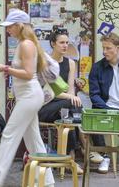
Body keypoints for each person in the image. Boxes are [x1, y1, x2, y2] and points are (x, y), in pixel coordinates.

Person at [0, 9, 56, 187]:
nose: (8, 30)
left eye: (10, 26)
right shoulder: (24, 43)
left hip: (29, 95)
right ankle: (47, 181)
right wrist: (8, 70)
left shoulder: (26, 44)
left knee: (9, 134)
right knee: (34, 140)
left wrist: (5, 68)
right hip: (28, 96)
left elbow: (28, 73)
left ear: (20, 26)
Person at [87, 33, 119, 175]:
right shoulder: (97, 68)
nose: (104, 52)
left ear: (118, 48)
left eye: (108, 48)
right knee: (93, 117)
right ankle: (104, 155)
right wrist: (108, 110)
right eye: (103, 48)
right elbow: (94, 95)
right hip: (104, 108)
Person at [37, 31, 84, 174]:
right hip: (45, 107)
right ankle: (79, 149)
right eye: (61, 42)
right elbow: (49, 91)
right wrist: (70, 98)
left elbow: (70, 88)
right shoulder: (45, 62)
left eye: (67, 43)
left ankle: (70, 159)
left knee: (69, 117)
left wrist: (71, 98)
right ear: (53, 44)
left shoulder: (70, 63)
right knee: (72, 106)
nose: (65, 46)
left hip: (63, 107)